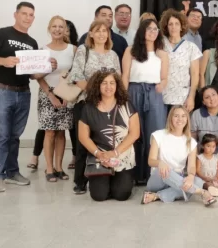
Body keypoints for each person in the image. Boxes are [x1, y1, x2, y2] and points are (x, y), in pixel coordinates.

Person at [0, 2, 45, 192]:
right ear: (15, 15)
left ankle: (12, 172)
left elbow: (32, 74)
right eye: (24, 13)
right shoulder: (1, 34)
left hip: (23, 92)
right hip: (2, 91)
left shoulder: (32, 43)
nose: (27, 17)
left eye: (31, 15)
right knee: (2, 135)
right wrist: (3, 60)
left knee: (14, 136)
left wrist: (46, 68)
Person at [67, 20, 121, 194]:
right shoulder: (84, 51)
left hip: (108, 105)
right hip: (86, 103)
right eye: (97, 30)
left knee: (104, 140)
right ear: (90, 33)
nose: (101, 34)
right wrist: (96, 95)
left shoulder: (113, 55)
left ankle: (103, 174)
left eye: (104, 31)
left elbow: (117, 80)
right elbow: (77, 76)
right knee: (83, 142)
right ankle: (80, 181)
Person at [77, 71, 138, 202]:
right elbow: (83, 137)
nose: (108, 86)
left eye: (112, 83)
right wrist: (99, 154)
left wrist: (115, 153)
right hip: (100, 157)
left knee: (121, 195)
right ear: (97, 86)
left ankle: (119, 181)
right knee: (99, 196)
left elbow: (134, 133)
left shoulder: (127, 105)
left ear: (117, 86)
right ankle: (104, 181)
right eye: (104, 83)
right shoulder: (88, 108)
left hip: (122, 156)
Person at [122, 19, 169, 185]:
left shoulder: (162, 53)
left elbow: (164, 78)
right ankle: (135, 174)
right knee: (135, 133)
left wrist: (161, 85)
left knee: (155, 132)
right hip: (134, 91)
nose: (152, 32)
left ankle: (152, 174)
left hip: (154, 93)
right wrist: (123, 98)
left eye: (155, 29)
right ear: (142, 31)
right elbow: (125, 76)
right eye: (149, 29)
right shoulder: (131, 51)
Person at [29, 19, 80, 171]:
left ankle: (59, 168)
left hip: (66, 94)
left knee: (61, 132)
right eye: (54, 26)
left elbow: (75, 74)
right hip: (47, 94)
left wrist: (65, 94)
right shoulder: (42, 50)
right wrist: (50, 94)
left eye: (61, 27)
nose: (57, 29)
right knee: (49, 132)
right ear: (49, 28)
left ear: (65, 30)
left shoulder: (73, 49)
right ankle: (49, 168)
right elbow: (36, 76)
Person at [141, 106, 218, 206]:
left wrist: (191, 176)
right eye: (176, 116)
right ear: (170, 118)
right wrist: (160, 163)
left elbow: (191, 166)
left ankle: (155, 196)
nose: (180, 119)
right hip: (159, 179)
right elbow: (151, 161)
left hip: (177, 181)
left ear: (187, 119)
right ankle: (202, 192)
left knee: (197, 181)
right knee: (168, 170)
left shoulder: (191, 142)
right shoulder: (158, 135)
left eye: (183, 116)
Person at [160, 9, 202, 113]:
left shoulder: (191, 47)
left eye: (176, 24)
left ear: (182, 26)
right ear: (166, 27)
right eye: (170, 24)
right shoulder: (160, 45)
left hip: (182, 97)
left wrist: (191, 97)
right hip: (160, 96)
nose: (173, 27)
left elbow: (195, 75)